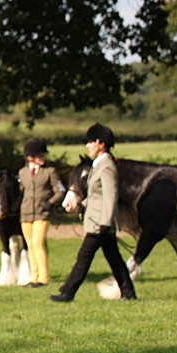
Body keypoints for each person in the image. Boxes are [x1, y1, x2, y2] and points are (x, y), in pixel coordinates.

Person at [50, 124, 136, 302]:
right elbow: (96, 195)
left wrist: (105, 223)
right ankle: (129, 293)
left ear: (100, 143)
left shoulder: (107, 167)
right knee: (114, 260)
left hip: (100, 223)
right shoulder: (99, 165)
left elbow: (110, 195)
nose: (87, 146)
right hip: (97, 220)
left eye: (90, 142)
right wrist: (82, 205)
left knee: (84, 256)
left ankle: (67, 292)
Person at [17, 138, 65, 288]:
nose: (44, 158)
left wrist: (50, 203)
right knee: (30, 245)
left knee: (38, 243)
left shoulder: (50, 171)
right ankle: (34, 277)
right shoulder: (22, 172)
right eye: (40, 156)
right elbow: (22, 191)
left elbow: (60, 191)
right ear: (30, 157)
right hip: (25, 213)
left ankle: (43, 278)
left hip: (42, 212)